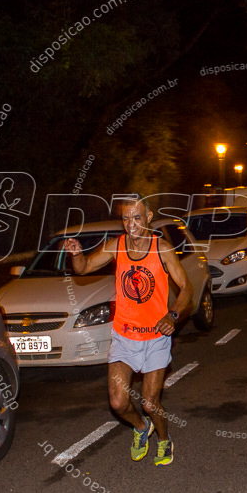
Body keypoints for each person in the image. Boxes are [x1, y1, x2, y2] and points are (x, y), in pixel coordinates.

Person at [63, 196, 192, 466]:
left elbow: (186, 289)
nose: (131, 224)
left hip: (156, 337)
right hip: (124, 336)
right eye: (125, 218)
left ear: (148, 217)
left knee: (149, 402)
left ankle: (165, 439)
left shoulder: (162, 249)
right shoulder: (116, 247)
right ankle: (141, 428)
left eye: (136, 218)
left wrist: (173, 314)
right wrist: (76, 254)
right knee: (118, 403)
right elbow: (83, 268)